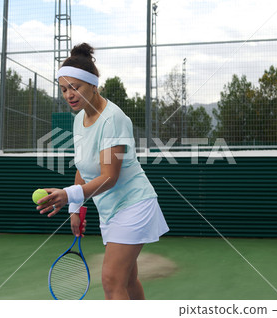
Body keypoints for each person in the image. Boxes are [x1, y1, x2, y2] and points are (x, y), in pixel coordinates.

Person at [36, 43, 169, 300]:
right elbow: (83, 167)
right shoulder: (78, 120)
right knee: (127, 280)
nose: (69, 94)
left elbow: (110, 176)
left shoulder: (113, 119)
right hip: (109, 210)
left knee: (110, 280)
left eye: (76, 87)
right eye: (64, 89)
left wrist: (68, 194)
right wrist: (75, 208)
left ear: (94, 85)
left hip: (134, 205)